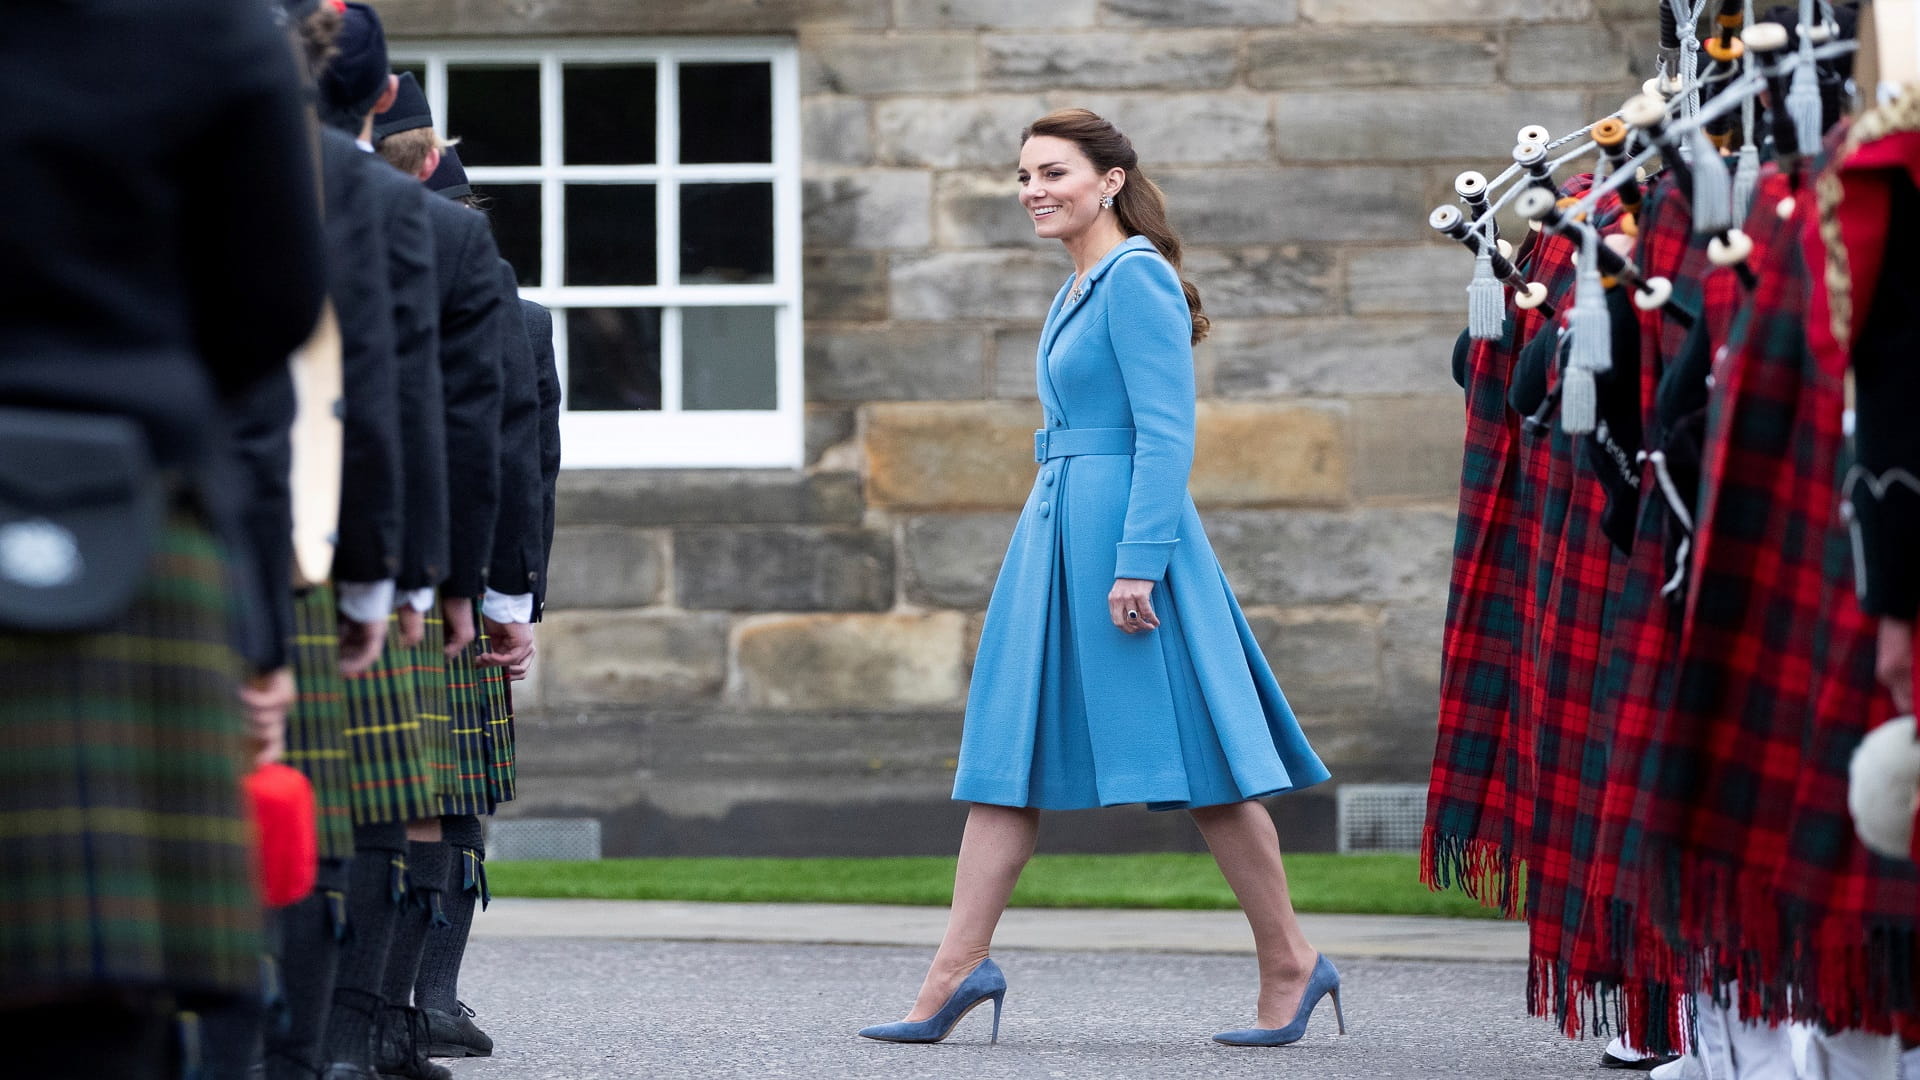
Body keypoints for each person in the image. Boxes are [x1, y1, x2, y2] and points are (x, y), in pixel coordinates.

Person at [858, 109, 1337, 1048]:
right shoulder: (1080, 282)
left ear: (1110, 180)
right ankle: (954, 971)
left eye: (1053, 173)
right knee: (1007, 757)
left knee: (1208, 765)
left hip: (1126, 547)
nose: (1034, 190)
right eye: (1024, 176)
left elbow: (1166, 437)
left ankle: (1290, 961)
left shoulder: (1135, 279)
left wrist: (1136, 567)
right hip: (1056, 537)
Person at [0, 0, 326, 1076]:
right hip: (114, 491)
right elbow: (268, 301)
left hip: (116, 482)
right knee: (96, 992)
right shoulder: (204, 24)